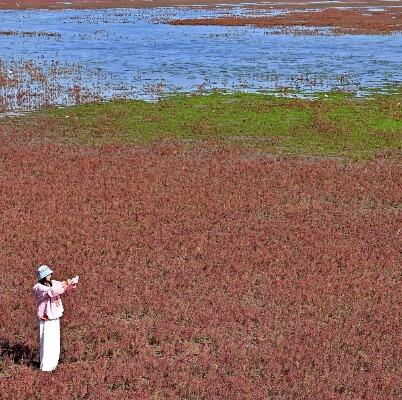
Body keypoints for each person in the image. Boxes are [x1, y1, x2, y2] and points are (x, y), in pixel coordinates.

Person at [32, 264, 79, 372]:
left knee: (54, 341)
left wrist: (71, 283)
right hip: (46, 317)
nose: (50, 275)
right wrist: (65, 283)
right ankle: (46, 368)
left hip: (54, 315)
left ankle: (53, 365)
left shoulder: (52, 283)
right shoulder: (39, 287)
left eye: (50, 273)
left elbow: (61, 287)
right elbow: (52, 292)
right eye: (47, 274)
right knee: (47, 342)